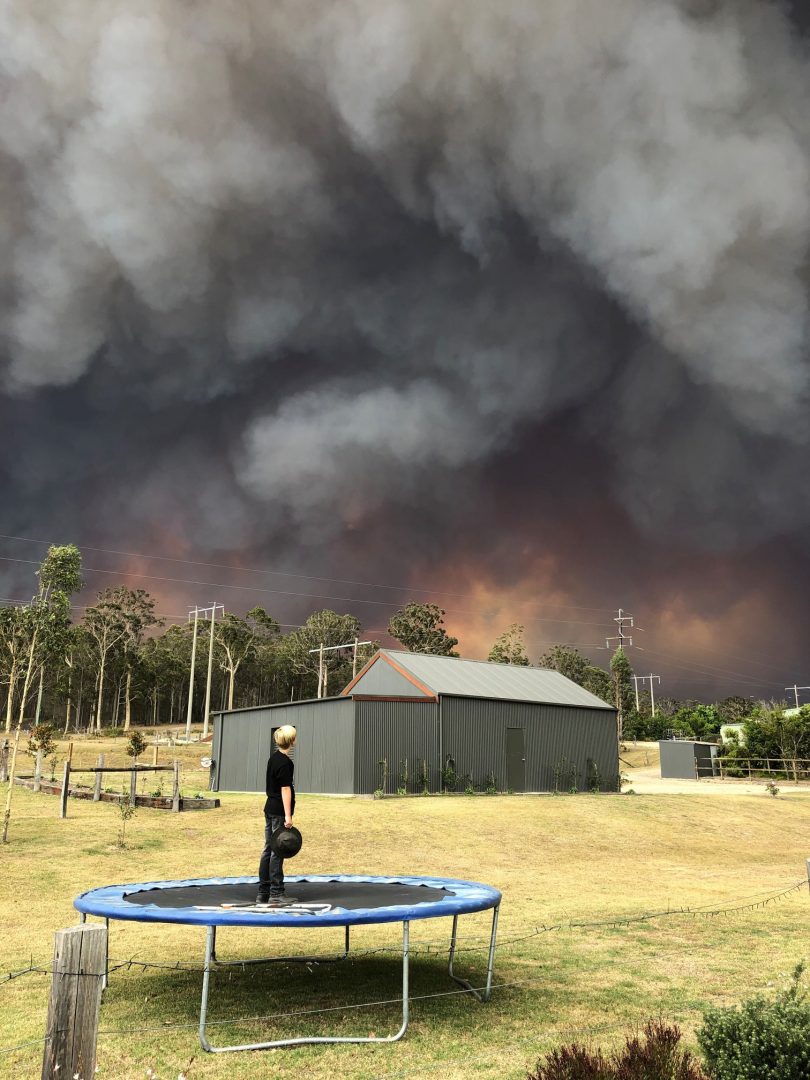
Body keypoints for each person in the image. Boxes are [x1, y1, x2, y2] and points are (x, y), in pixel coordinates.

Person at [257, 724, 297, 903]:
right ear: (292, 741)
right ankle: (276, 893)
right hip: (279, 811)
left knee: (268, 848)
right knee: (277, 851)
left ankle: (263, 892)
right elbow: (285, 789)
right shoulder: (285, 763)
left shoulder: (273, 758)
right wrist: (288, 816)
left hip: (269, 808)